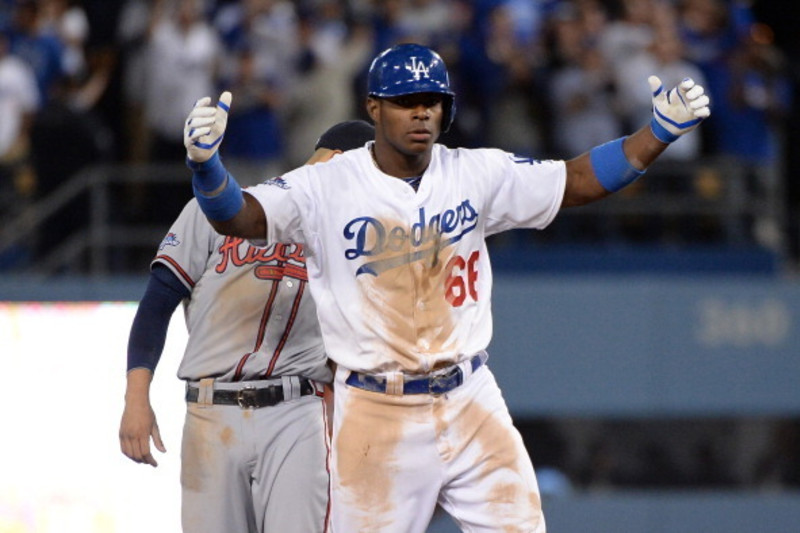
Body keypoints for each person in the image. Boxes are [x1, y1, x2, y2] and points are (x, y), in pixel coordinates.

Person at [182, 43, 710, 532]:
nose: (421, 113)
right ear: (374, 108)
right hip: (375, 412)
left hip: (469, 396)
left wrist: (657, 132)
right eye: (406, 101)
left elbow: (573, 182)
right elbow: (242, 219)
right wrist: (207, 169)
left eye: (431, 101)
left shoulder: (474, 172)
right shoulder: (326, 185)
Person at [118, 119, 376, 533]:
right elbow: (156, 303)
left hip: (298, 411)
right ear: (342, 162)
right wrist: (136, 399)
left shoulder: (353, 236)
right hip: (211, 410)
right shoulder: (227, 206)